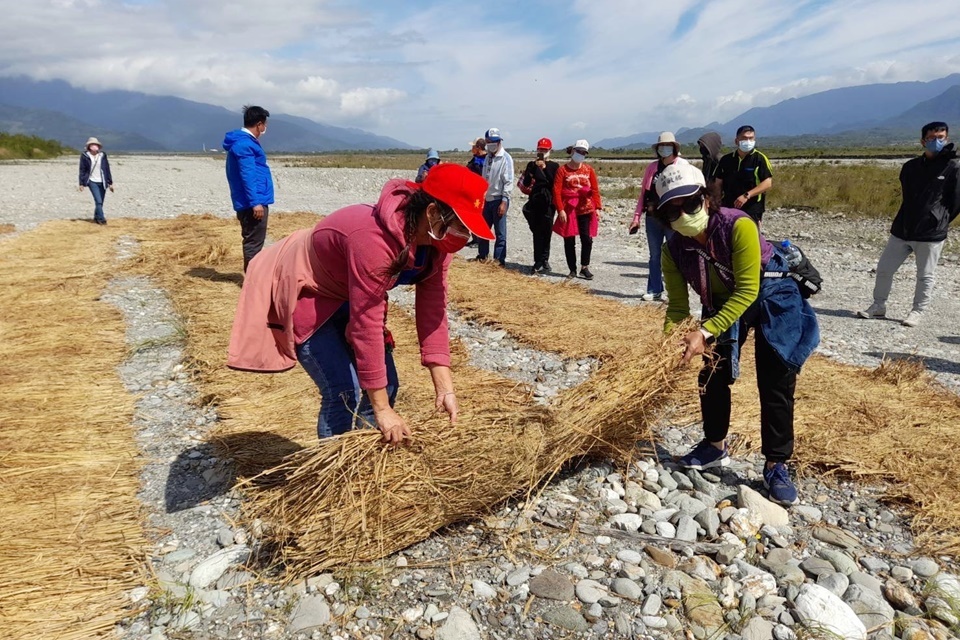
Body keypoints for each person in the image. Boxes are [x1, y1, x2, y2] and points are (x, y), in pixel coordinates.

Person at [227, 164, 493, 443]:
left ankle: (364, 458)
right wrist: (382, 409)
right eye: (459, 225)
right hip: (311, 293)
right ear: (432, 212)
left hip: (350, 292)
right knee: (343, 391)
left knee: (386, 384)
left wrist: (445, 388)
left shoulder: (438, 246)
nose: (463, 236)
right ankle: (333, 470)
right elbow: (366, 323)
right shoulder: (372, 239)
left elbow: (433, 312)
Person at [654, 162, 819, 506]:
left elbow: (747, 291)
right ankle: (714, 446)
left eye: (691, 204)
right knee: (711, 371)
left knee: (775, 377)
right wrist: (671, 341)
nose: (683, 214)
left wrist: (705, 330)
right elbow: (678, 309)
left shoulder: (737, 225)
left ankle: (776, 464)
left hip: (770, 291)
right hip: (722, 301)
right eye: (672, 211)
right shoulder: (673, 251)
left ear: (707, 198)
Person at [858, 121, 960, 327]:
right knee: (884, 268)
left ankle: (917, 311)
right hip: (903, 228)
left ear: (947, 139)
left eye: (941, 137)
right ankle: (878, 306)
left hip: (931, 233)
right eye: (932, 138)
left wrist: (938, 219)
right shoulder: (910, 167)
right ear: (923, 141)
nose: (937, 141)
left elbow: (955, 202)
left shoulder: (953, 168)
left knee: (925, 275)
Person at [629, 132, 689, 301]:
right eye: (662, 146)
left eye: (668, 145)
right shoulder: (652, 168)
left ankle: (676, 292)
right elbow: (643, 194)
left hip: (673, 218)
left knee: (674, 255)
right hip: (653, 217)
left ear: (674, 148)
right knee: (655, 255)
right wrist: (636, 217)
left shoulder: (682, 166)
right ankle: (655, 289)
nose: (664, 149)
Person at [223, 105, 274, 272]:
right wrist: (255, 203)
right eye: (264, 124)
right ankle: (252, 283)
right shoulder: (245, 145)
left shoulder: (243, 143)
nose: (265, 128)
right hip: (252, 203)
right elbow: (248, 175)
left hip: (252, 200)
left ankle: (253, 280)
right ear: (259, 124)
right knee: (253, 243)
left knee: (253, 241)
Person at [553, 140, 602, 280]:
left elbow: (594, 189)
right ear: (573, 151)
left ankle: (584, 267)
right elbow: (556, 191)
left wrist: (597, 207)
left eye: (584, 152)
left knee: (587, 239)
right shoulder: (562, 170)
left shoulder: (589, 170)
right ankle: (572, 269)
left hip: (586, 208)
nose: (581, 154)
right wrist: (560, 209)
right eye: (579, 151)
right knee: (569, 239)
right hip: (569, 209)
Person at [519, 137, 560, 274]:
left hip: (548, 202)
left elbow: (554, 183)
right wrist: (531, 171)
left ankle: (545, 259)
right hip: (535, 200)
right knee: (536, 231)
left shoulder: (554, 166)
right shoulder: (531, 164)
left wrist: (544, 168)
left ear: (550, 151)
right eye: (540, 149)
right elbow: (526, 183)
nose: (542, 152)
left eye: (545, 150)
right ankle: (537, 260)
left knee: (547, 231)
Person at [716, 125, 773, 223]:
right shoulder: (726, 160)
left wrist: (747, 195)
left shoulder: (760, 159)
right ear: (736, 141)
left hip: (752, 207)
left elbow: (767, 183)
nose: (748, 141)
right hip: (728, 205)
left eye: (751, 138)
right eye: (744, 138)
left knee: (750, 235)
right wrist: (715, 199)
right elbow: (718, 182)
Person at [475, 128, 514, 266]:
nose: (492, 144)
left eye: (495, 141)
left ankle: (499, 261)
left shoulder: (506, 158)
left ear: (499, 142)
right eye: (489, 141)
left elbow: (508, 182)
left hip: (499, 199)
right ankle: (482, 256)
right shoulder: (487, 157)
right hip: (487, 199)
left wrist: (504, 201)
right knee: (483, 230)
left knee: (500, 233)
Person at [78, 137, 114, 225]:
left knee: (100, 202)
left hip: (103, 181)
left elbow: (106, 169)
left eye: (96, 145)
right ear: (89, 146)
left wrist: (110, 182)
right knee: (98, 200)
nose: (94, 146)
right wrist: (81, 183)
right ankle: (102, 219)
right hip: (92, 181)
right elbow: (82, 169)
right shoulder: (85, 156)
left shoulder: (102, 155)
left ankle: (96, 217)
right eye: (92, 145)